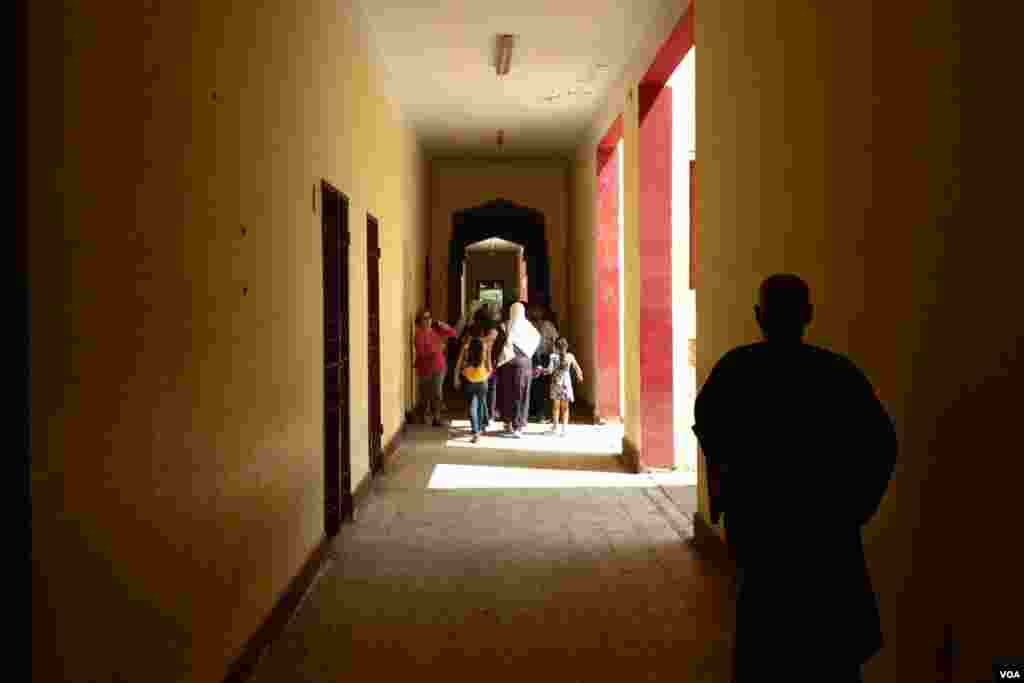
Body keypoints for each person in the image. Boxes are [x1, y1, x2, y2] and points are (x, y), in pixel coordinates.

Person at [692, 274, 897, 683]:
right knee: (830, 649)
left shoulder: (737, 369)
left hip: (763, 532)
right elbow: (882, 443)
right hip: (826, 533)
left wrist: (731, 494)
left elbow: (710, 429)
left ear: (759, 316)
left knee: (766, 646)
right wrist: (856, 509)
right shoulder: (837, 373)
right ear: (808, 315)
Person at [496, 302, 541, 437]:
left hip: (507, 364)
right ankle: (519, 426)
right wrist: (536, 363)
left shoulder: (505, 326)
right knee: (522, 394)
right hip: (525, 365)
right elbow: (536, 344)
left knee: (507, 393)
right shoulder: (529, 328)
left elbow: (499, 346)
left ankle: (508, 423)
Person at [413, 309, 455, 426]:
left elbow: (453, 333)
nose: (428, 320)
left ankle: (437, 418)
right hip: (425, 369)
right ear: (420, 321)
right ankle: (422, 416)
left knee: (437, 393)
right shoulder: (419, 335)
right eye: (425, 318)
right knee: (425, 394)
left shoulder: (436, 331)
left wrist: (445, 326)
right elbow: (421, 353)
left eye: (429, 317)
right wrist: (437, 349)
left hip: (439, 366)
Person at [453, 323, 494, 443]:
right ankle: (479, 430)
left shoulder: (466, 347)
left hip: (469, 381)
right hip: (482, 381)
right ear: (482, 334)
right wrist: (486, 376)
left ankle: (475, 431)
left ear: (469, 335)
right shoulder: (485, 347)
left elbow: (458, 364)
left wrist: (456, 378)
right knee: (480, 406)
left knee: (472, 407)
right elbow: (489, 367)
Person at [546, 337, 583, 437]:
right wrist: (580, 375)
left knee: (556, 407)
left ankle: (555, 427)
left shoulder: (553, 357)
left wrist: (542, 370)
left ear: (555, 347)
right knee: (565, 408)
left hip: (556, 383)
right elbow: (577, 367)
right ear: (566, 346)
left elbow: (549, 370)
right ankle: (564, 430)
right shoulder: (570, 356)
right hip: (566, 384)